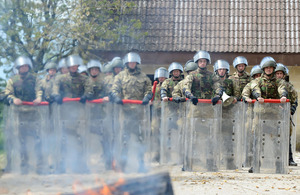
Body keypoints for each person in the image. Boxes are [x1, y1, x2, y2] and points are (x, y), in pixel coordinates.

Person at [111, 52, 152, 172]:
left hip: (139, 114)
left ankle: (141, 164)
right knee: (124, 139)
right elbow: (115, 89)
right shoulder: (120, 76)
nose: (132, 64)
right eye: (130, 62)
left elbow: (149, 90)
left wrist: (147, 97)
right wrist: (117, 97)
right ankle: (123, 165)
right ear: (127, 63)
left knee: (140, 139)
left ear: (137, 63)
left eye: (134, 62)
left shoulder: (143, 77)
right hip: (125, 113)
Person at [274, 63, 298, 166]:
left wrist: (291, 110)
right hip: (272, 115)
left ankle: (289, 159)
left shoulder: (289, 86)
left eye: (281, 73)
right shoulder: (272, 84)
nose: (279, 75)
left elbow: (295, 100)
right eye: (277, 73)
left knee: (286, 136)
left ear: (284, 75)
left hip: (285, 115)